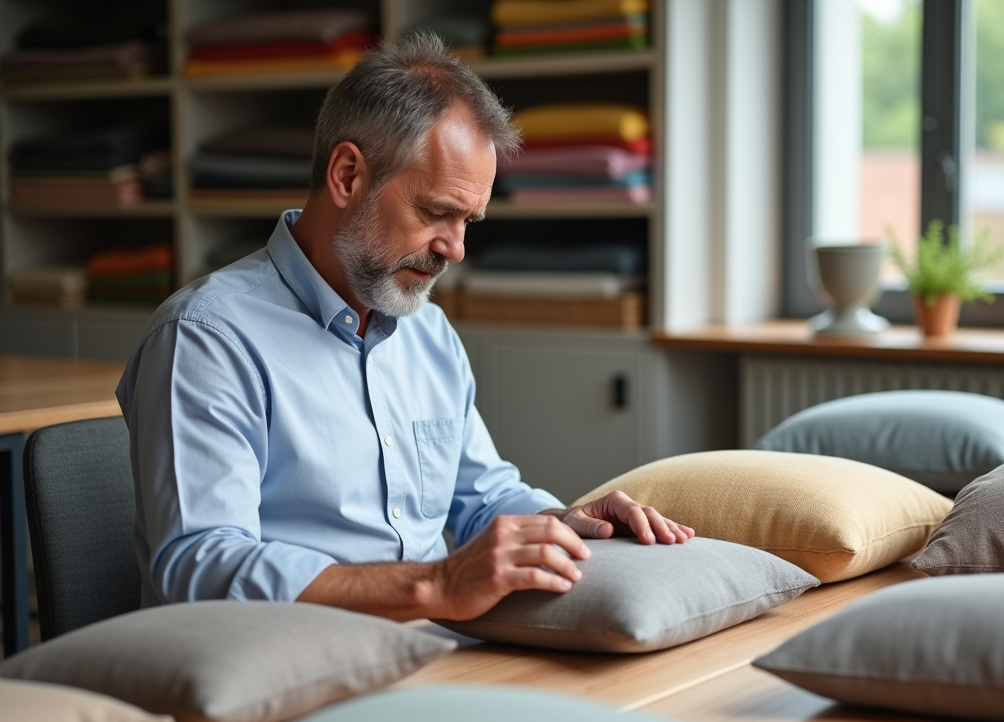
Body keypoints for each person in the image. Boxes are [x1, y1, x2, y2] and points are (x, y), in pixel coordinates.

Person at [116, 34, 693, 623]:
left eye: (469, 221)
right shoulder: (206, 338)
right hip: (285, 660)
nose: (456, 249)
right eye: (437, 212)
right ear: (347, 175)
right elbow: (201, 568)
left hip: (434, 648)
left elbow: (483, 498)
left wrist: (565, 522)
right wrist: (434, 585)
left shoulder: (429, 333)